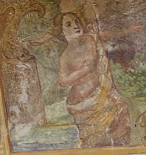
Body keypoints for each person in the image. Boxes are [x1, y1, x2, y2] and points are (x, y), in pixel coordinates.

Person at [55, 12, 131, 148]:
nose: (76, 26)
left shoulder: (91, 39)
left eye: (77, 21)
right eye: (69, 25)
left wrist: (128, 30)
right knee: (93, 138)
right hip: (84, 103)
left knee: (121, 110)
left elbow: (107, 35)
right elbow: (62, 80)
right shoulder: (66, 56)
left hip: (103, 92)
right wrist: (84, 71)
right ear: (62, 32)